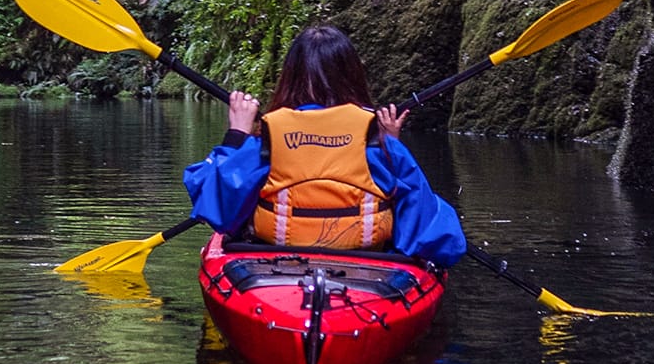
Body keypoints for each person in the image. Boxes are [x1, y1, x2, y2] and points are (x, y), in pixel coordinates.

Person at [183, 25, 466, 267]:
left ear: (289, 76)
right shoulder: (377, 142)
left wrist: (237, 135)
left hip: (274, 262)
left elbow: (213, 204)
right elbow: (436, 235)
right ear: (353, 76)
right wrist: (390, 145)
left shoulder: (269, 136)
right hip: (368, 266)